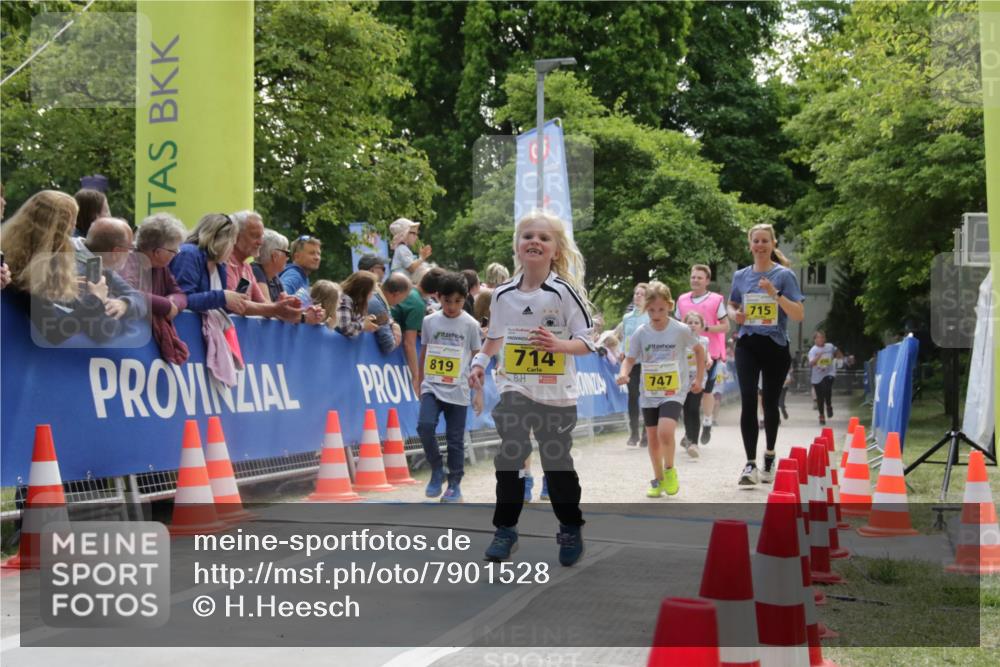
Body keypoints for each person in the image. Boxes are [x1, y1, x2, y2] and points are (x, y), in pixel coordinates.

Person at [469, 211, 594, 567]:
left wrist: (559, 345)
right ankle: (505, 528)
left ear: (555, 250)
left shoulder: (563, 291)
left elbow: (588, 342)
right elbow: (494, 339)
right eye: (527, 236)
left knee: (556, 462)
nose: (535, 241)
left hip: (556, 392)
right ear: (517, 247)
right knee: (511, 452)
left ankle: (570, 526)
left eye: (544, 237)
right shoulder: (502, 294)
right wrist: (479, 363)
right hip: (515, 385)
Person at [728, 223, 805, 485]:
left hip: (775, 345)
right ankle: (750, 464)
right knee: (749, 399)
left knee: (769, 403)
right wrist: (733, 315)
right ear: (750, 245)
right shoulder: (740, 276)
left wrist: (776, 294)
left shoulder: (784, 276)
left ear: (773, 244)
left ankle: (769, 456)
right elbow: (732, 304)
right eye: (756, 241)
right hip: (748, 343)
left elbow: (798, 314)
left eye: (765, 241)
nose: (760, 245)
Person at [616, 282, 705, 497]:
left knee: (666, 431)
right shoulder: (641, 332)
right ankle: (657, 480)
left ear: (670, 306)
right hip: (650, 392)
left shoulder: (680, 330)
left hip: (674, 389)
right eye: (652, 310)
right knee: (653, 438)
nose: (656, 314)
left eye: (661, 309)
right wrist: (624, 373)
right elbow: (629, 359)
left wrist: (699, 378)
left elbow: (699, 351)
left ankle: (669, 470)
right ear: (645, 308)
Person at [1, 190, 120, 344]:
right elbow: (53, 333)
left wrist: (61, 289)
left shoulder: (15, 256)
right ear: (57, 231)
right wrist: (95, 299)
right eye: (71, 224)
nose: (74, 229)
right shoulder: (32, 272)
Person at [417, 272, 483, 503]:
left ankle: (455, 484)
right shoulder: (429, 321)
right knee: (425, 427)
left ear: (465, 299)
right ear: (438, 297)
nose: (452, 306)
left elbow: (478, 361)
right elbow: (423, 352)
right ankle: (437, 469)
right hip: (432, 386)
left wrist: (479, 394)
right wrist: (419, 383)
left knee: (455, 440)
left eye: (458, 301)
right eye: (447, 301)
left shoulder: (471, 325)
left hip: (459, 390)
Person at [675, 264, 730, 445]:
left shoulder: (715, 300)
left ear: (707, 281)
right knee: (686, 394)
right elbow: (675, 325)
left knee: (706, 390)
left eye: (699, 277)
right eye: (693, 277)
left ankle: (706, 422)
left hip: (710, 352)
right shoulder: (682, 300)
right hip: (686, 354)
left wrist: (704, 328)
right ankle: (690, 432)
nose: (695, 280)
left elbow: (726, 326)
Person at [125, 213, 189, 363]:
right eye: (174, 251)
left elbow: (180, 294)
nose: (176, 255)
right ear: (157, 252)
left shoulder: (162, 268)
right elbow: (127, 293)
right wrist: (166, 305)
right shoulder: (128, 261)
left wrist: (173, 302)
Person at [227, 211, 307, 322]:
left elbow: (263, 304)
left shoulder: (247, 268)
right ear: (236, 235)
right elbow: (236, 305)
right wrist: (278, 308)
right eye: (254, 236)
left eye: (261, 237)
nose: (260, 242)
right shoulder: (226, 262)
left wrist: (289, 310)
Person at [169, 213, 248, 315]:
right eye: (232, 242)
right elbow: (183, 299)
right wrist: (222, 297)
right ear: (223, 240)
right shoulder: (188, 254)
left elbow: (212, 305)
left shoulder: (220, 265)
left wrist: (231, 303)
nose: (232, 249)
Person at [73, 217, 148, 322]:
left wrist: (125, 304)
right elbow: (101, 328)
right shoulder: (77, 269)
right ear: (116, 253)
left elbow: (139, 298)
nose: (131, 253)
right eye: (130, 248)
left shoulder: (98, 261)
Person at [390, 268, 442, 396]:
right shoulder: (417, 304)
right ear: (437, 293)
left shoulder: (411, 292)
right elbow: (409, 343)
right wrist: (416, 376)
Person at [615, 282, 650, 447]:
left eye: (642, 294)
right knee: (633, 396)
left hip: (648, 362)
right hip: (631, 361)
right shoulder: (627, 317)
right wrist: (622, 350)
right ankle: (634, 431)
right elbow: (626, 337)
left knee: (647, 397)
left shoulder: (651, 315)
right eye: (636, 293)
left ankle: (646, 433)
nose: (638, 296)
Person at [680, 311, 710, 458]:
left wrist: (709, 360)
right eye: (689, 322)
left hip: (698, 378)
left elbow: (707, 354)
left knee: (694, 408)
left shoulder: (704, 341)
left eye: (696, 322)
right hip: (683, 380)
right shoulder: (680, 340)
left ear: (701, 326)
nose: (692, 325)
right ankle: (688, 437)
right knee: (686, 410)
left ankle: (694, 443)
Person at [808, 330, 841, 425]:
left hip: (829, 372)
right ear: (815, 340)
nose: (821, 339)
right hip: (817, 376)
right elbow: (811, 363)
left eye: (822, 337)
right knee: (820, 397)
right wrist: (818, 357)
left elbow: (836, 350)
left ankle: (829, 406)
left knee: (827, 388)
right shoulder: (813, 350)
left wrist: (839, 356)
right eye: (818, 337)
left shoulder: (829, 346)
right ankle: (821, 415)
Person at [334, 271, 380, 338]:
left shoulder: (356, 303)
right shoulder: (345, 299)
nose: (373, 294)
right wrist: (363, 325)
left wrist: (367, 321)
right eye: (372, 290)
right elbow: (346, 328)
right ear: (363, 291)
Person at [280, 235, 322, 305]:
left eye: (318, 254)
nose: (317, 257)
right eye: (312, 253)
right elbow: (279, 298)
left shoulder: (302, 276)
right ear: (297, 256)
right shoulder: (294, 275)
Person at [253, 229, 291, 303]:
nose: (288, 258)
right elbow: (266, 307)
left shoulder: (274, 278)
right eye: (287, 253)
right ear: (275, 256)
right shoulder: (256, 271)